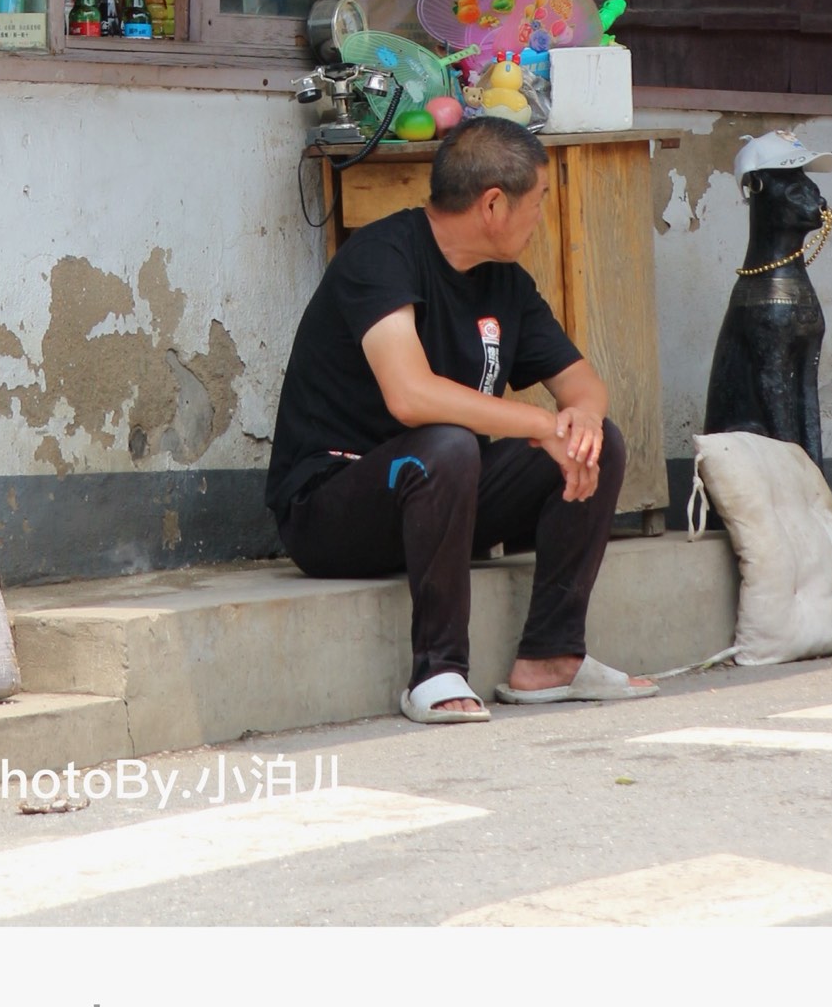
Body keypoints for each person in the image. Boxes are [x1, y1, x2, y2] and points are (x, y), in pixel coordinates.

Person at [267, 113, 655, 723]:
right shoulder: (382, 256)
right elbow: (410, 397)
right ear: (494, 204)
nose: (542, 216)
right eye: (540, 201)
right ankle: (437, 671)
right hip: (332, 507)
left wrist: (577, 422)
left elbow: (582, 384)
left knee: (596, 440)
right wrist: (539, 424)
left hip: (446, 498)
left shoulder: (507, 285)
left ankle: (550, 658)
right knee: (445, 444)